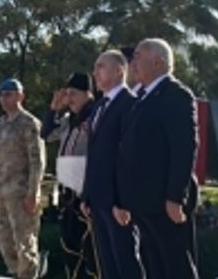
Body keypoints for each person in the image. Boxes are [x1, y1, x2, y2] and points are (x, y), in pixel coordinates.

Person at [115, 38, 199, 279]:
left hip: (164, 200)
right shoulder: (141, 97)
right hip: (142, 200)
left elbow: (184, 149)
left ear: (159, 62)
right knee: (153, 264)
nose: (133, 62)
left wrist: (175, 196)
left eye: (139, 56)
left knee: (176, 264)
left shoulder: (175, 95)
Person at [82, 50, 143, 279]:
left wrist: (122, 200)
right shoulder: (99, 106)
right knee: (108, 265)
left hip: (118, 203)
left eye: (101, 67)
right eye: (95, 67)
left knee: (126, 262)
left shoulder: (130, 104)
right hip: (98, 199)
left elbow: (128, 157)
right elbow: (94, 155)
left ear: (119, 70)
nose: (95, 72)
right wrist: (87, 195)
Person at [45, 72, 98, 279]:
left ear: (87, 93)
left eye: (73, 93)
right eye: (67, 94)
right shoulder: (68, 119)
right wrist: (53, 108)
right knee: (69, 249)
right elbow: (47, 134)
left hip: (84, 191)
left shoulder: (95, 114)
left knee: (88, 253)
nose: (70, 98)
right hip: (66, 191)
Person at [0, 78, 46, 279]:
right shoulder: (1, 123)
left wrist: (33, 193)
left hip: (22, 192)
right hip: (3, 192)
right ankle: (14, 273)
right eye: (1, 95)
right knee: (6, 240)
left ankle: (29, 275)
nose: (3, 99)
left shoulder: (29, 123)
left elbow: (37, 161)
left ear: (20, 96)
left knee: (25, 242)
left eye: (8, 94)